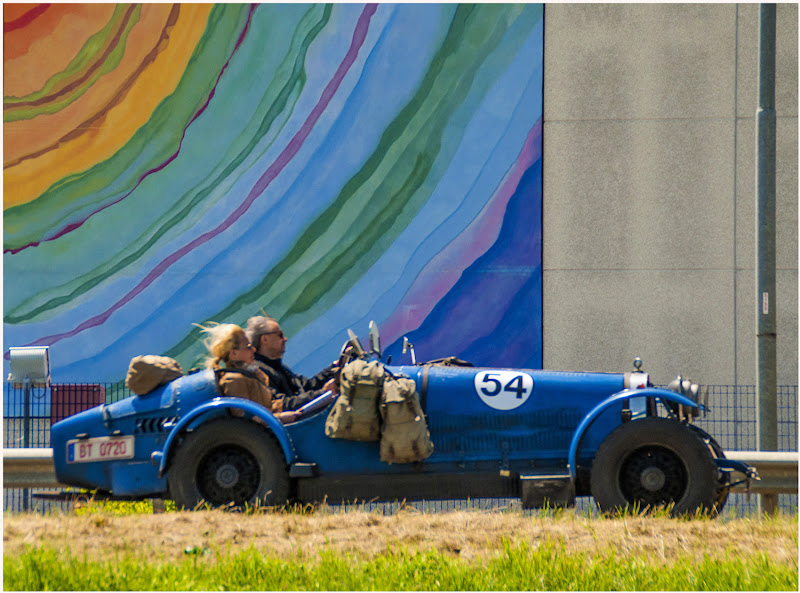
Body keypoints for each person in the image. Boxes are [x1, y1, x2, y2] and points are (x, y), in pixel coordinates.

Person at [198, 322, 300, 424]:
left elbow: (268, 406)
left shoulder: (250, 373)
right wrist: (280, 418)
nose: (253, 350)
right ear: (234, 353)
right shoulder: (233, 381)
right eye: (248, 347)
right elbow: (246, 421)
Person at [245, 315, 340, 412]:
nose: (285, 339)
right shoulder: (259, 372)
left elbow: (306, 386)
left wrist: (334, 367)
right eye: (280, 335)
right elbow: (282, 405)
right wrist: (322, 393)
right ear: (265, 339)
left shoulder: (277, 366)